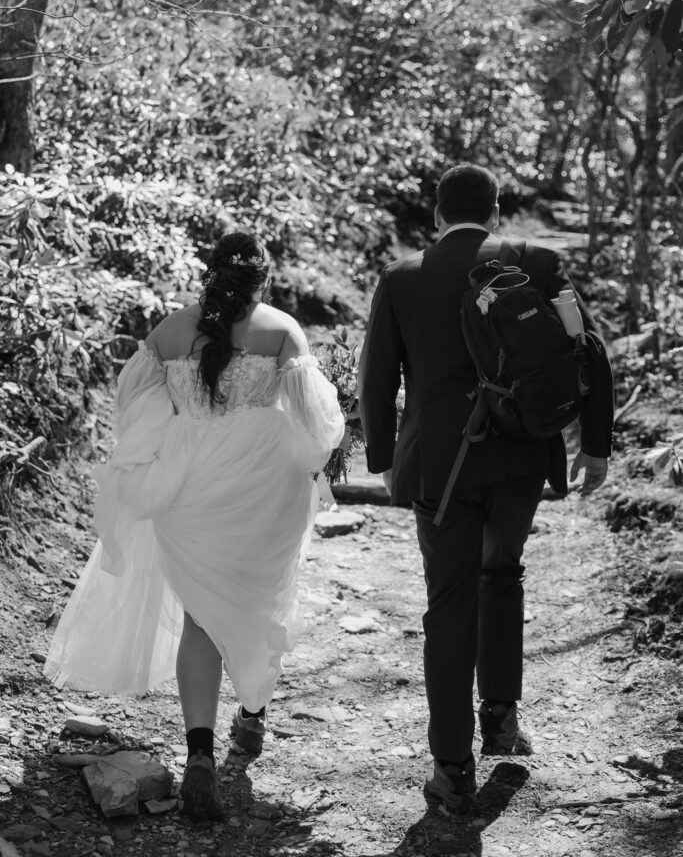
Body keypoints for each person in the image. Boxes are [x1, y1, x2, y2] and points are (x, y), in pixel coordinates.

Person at [45, 230, 345, 820]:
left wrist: (187, 421)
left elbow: (131, 403)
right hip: (261, 489)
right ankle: (253, 714)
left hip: (188, 491)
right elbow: (318, 426)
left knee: (199, 617)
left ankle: (201, 753)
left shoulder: (170, 331)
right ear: (264, 279)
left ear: (210, 273)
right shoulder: (282, 331)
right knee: (259, 603)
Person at [358, 164, 613, 813]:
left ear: (436, 215)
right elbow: (588, 348)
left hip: (439, 467)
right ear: (494, 211)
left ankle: (452, 770)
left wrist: (386, 458)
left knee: (448, 606)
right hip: (522, 456)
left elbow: (377, 376)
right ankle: (499, 717)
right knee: (501, 573)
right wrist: (596, 443)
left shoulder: (401, 279)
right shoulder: (534, 263)